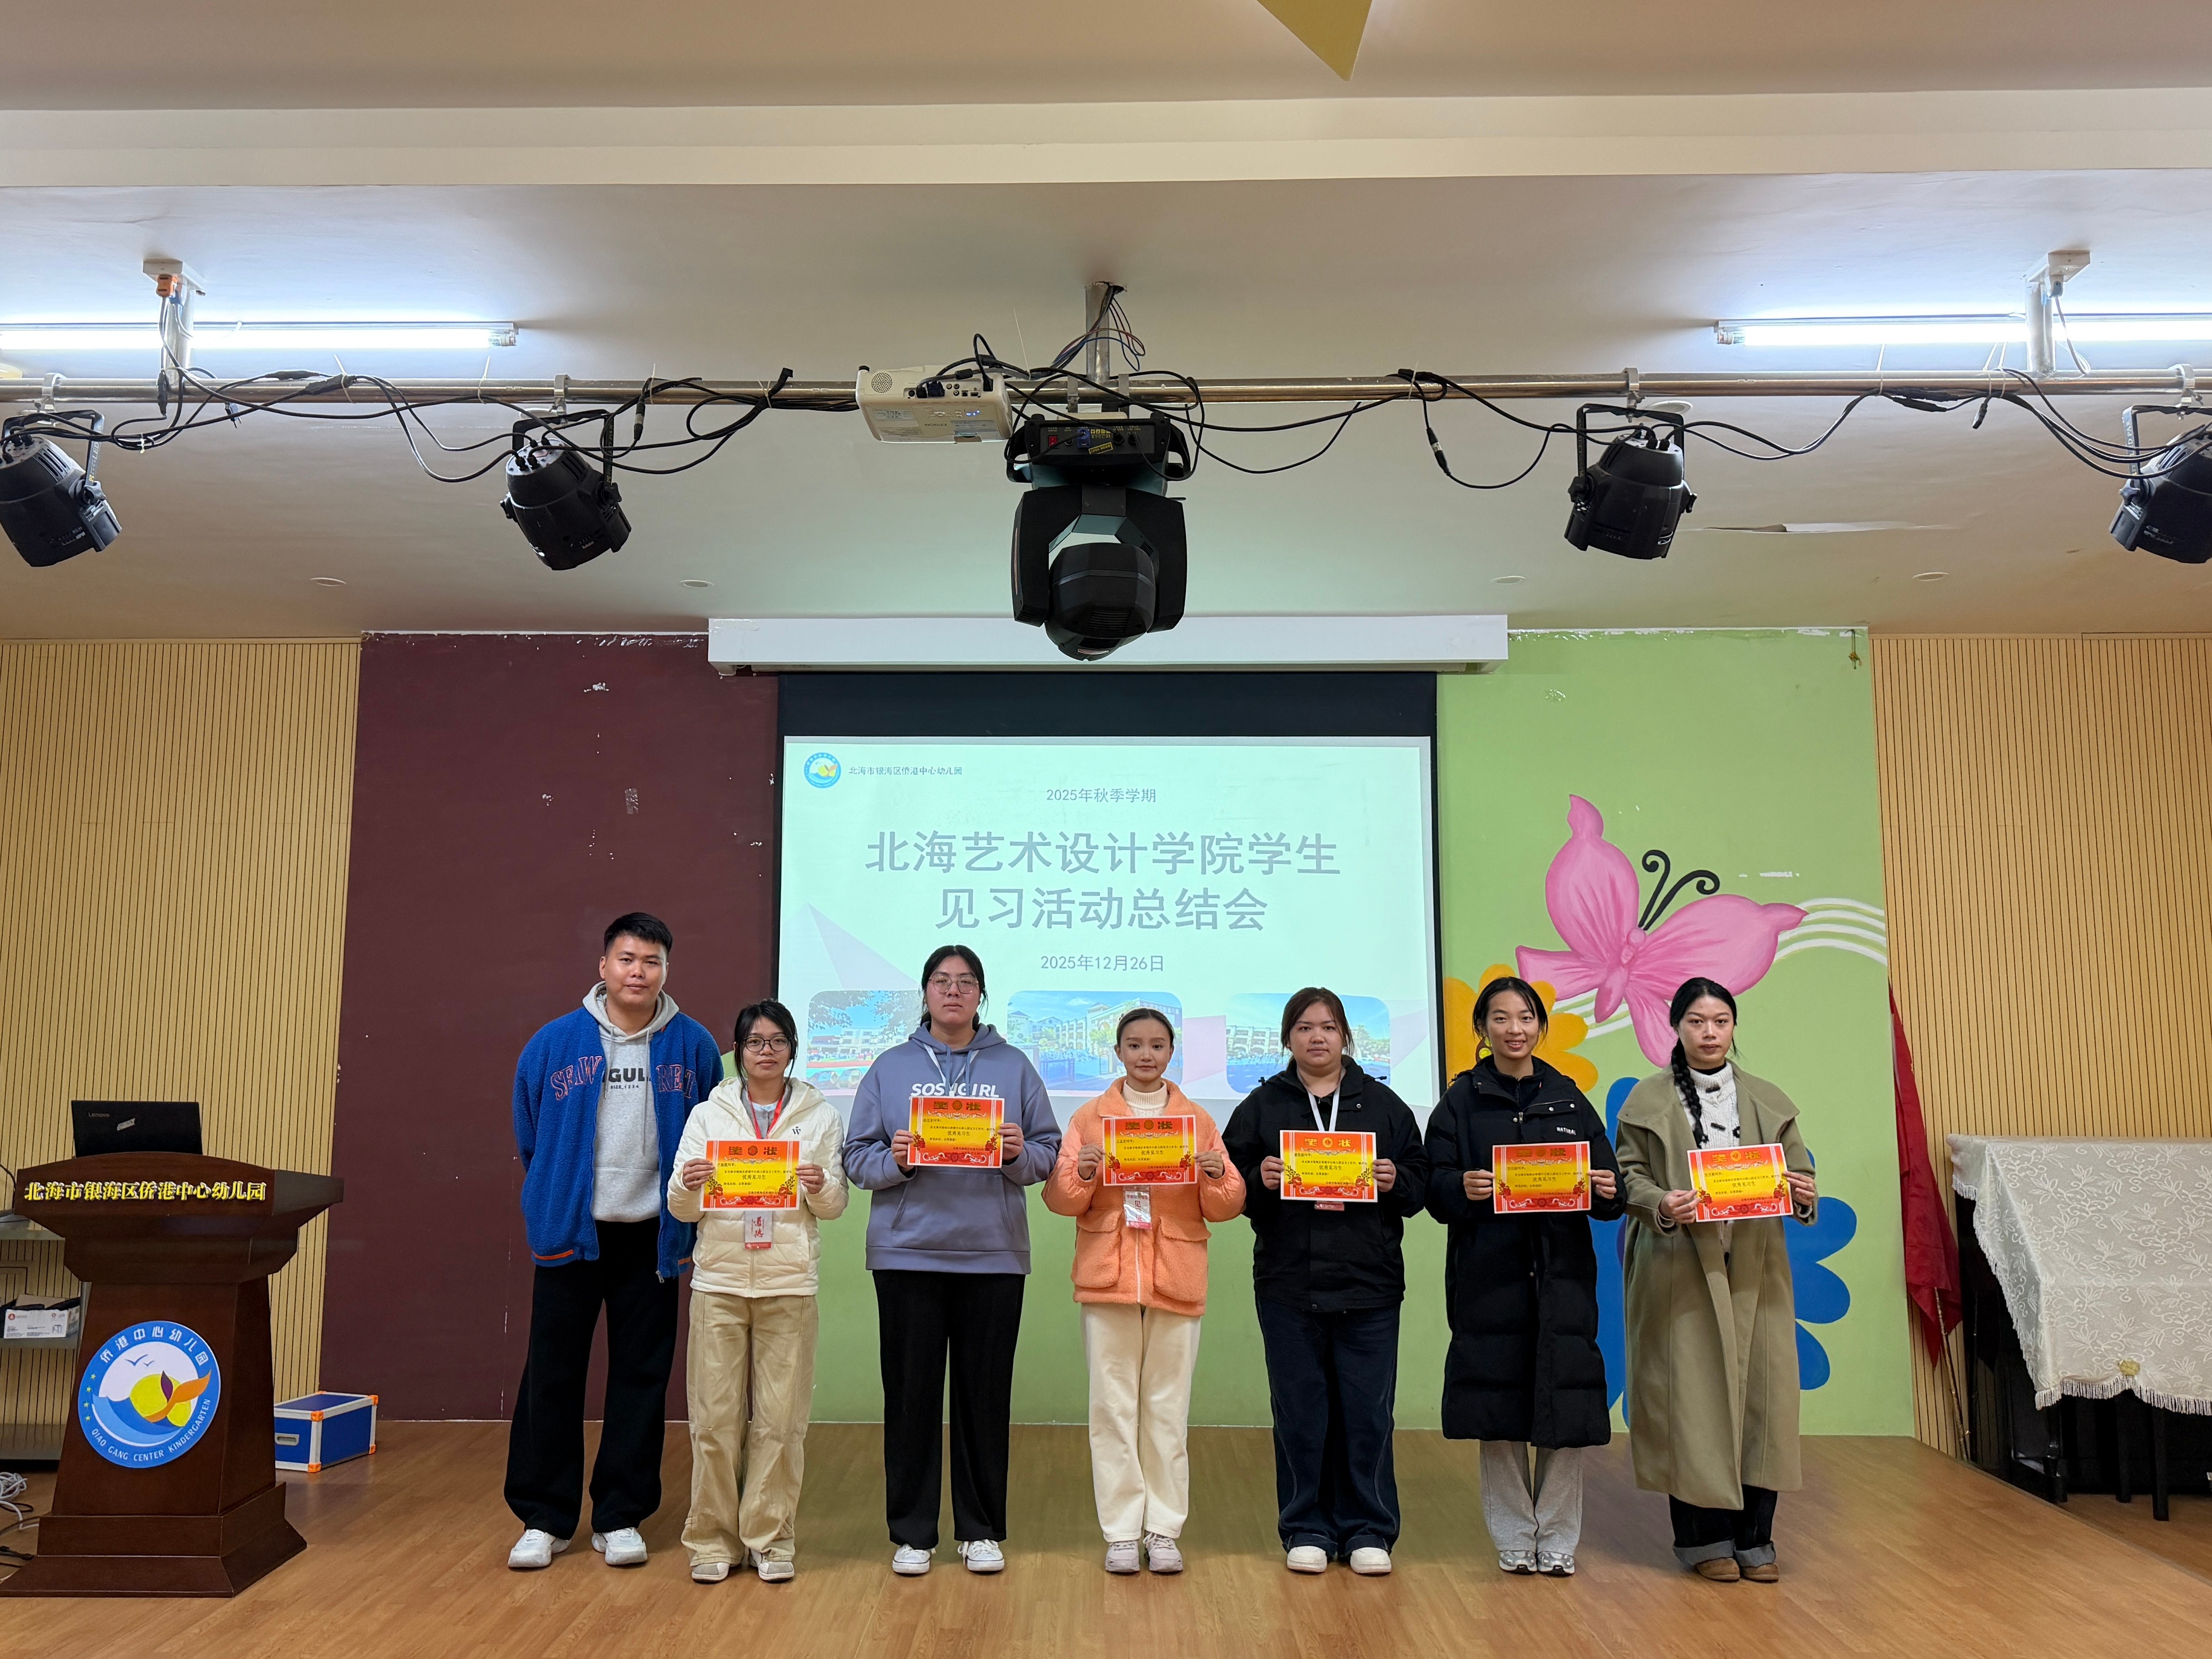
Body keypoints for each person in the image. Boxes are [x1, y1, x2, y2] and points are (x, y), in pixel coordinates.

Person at [505, 912, 725, 1571]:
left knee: (641, 1376)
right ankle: (544, 1518)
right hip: (574, 1232)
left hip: (653, 1237)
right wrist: (559, 1195)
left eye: (652, 962)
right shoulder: (554, 1042)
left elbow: (713, 1131)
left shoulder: (693, 1045)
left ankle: (620, 1515)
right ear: (604, 966)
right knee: (552, 1376)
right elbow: (531, 1136)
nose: (639, 972)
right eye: (627, 959)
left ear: (666, 970)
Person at [842, 944, 1061, 1577]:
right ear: (925, 992)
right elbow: (856, 1158)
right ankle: (912, 1533)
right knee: (910, 1398)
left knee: (983, 1399)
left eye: (966, 982)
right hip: (907, 1252)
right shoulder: (890, 1067)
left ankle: (980, 1529)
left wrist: (1018, 1153)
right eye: (941, 981)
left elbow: (1048, 1154)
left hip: (992, 1254)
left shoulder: (1014, 1066)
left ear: (981, 995)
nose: (953, 991)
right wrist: (897, 1160)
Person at [1615, 977, 1819, 1584]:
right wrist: (1660, 1202)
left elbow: (1799, 1172)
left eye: (1720, 1021)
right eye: (1696, 1022)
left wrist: (1802, 1191)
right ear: (1675, 1027)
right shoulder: (1647, 1101)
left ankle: (1755, 1540)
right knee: (1691, 1402)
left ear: (1733, 1026)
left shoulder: (1767, 1100)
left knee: (1762, 1401)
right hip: (1678, 1267)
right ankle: (1703, 1540)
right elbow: (1627, 1176)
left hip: (1756, 1268)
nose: (1709, 1033)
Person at [1222, 987, 1429, 1577]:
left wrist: (1394, 1179)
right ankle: (1305, 1526)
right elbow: (1226, 1186)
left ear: (1346, 1037)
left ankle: (1368, 1528)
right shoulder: (1262, 1105)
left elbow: (1419, 1184)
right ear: (1287, 1038)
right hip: (1288, 1284)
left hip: (1370, 1285)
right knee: (1300, 1412)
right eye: (1305, 1027)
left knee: (1368, 1413)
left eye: (1329, 1027)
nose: (1317, 1037)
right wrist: (1258, 1179)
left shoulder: (1383, 1105)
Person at [1424, 976, 1623, 1579]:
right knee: (1498, 1407)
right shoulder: (1460, 1102)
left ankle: (1558, 1537)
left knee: (1566, 1406)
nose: (1515, 1029)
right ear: (1482, 1028)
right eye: (1501, 1018)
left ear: (1540, 1025)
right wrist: (1459, 1186)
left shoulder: (1567, 1098)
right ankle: (1513, 1534)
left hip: (1562, 1278)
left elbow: (1609, 1191)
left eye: (1526, 1017)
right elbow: (1431, 1187)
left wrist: (1606, 1188)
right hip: (1489, 1278)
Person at [1044, 1008, 1246, 1575]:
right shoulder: (1089, 1118)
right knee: (1110, 1408)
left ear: (1171, 1052)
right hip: (1106, 1273)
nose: (1145, 1055)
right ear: (1117, 1051)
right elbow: (1059, 1199)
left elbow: (1227, 1205)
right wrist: (1083, 1172)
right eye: (1134, 1045)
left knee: (1167, 1408)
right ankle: (1119, 1530)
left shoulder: (1197, 1121)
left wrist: (1216, 1174)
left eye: (1157, 1045)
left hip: (1175, 1272)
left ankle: (1162, 1529)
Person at [667, 998, 847, 1584]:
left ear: (792, 1049)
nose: (765, 1052)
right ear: (738, 1051)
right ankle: (712, 1541)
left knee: (780, 1421)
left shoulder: (820, 1115)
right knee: (713, 1421)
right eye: (754, 1042)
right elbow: (680, 1205)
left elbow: (835, 1206)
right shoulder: (708, 1114)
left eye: (777, 1041)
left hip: (788, 1282)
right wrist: (690, 1185)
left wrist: (819, 1186)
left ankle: (770, 1539)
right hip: (718, 1280)